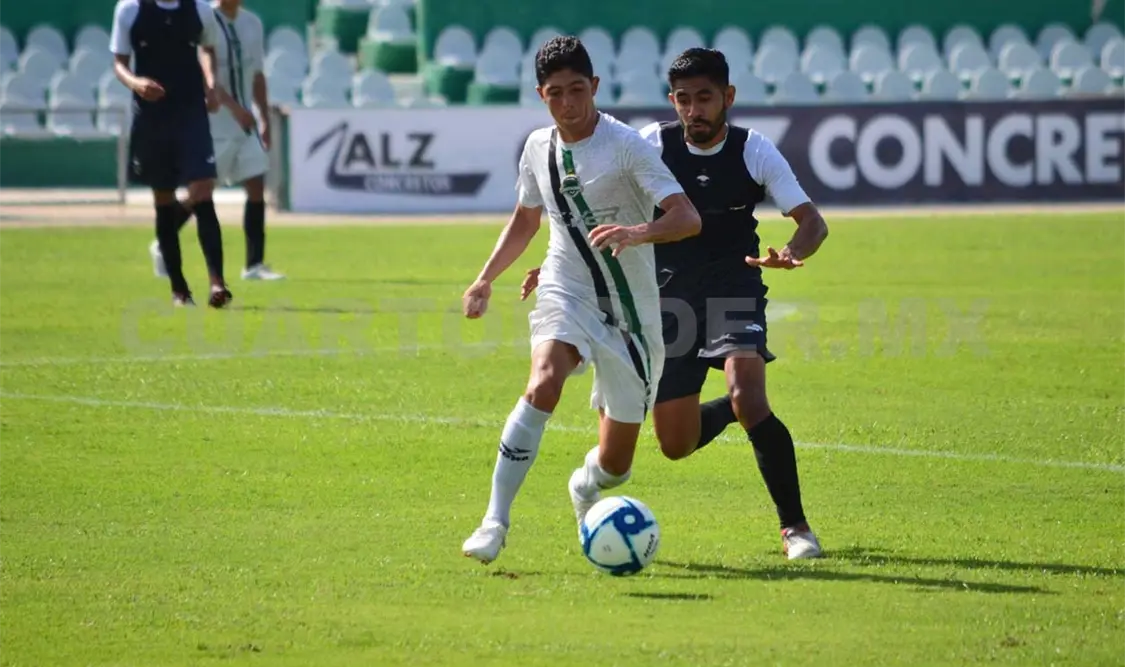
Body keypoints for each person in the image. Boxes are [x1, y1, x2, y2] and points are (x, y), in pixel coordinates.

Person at [519, 48, 830, 560]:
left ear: (727, 98)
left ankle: (796, 529)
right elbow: (592, 212)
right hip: (665, 297)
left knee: (749, 396)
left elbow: (812, 222)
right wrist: (558, 267)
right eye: (683, 100)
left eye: (704, 98)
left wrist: (794, 251)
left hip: (734, 285)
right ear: (672, 101)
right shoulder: (649, 144)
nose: (694, 111)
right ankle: (732, 413)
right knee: (674, 443)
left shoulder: (753, 150)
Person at [459, 36, 702, 565]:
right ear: (540, 95)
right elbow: (527, 220)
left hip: (632, 313)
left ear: (594, 87)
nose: (567, 103)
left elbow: (687, 217)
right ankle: (494, 521)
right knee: (544, 378)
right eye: (554, 93)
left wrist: (637, 233)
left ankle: (585, 487)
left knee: (617, 466)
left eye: (576, 90)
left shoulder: (626, 147)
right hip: (565, 289)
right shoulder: (536, 148)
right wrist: (485, 279)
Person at [149, 0, 284, 282]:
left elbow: (257, 74)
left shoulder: (252, 24)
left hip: (245, 124)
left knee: (256, 184)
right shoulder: (204, 18)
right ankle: (164, 240)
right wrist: (235, 109)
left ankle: (254, 265)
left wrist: (265, 118)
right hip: (213, 123)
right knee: (200, 191)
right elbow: (202, 73)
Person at [111, 0, 233, 307]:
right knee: (163, 199)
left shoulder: (200, 10)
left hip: (191, 112)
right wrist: (136, 83)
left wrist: (211, 82)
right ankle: (180, 289)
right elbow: (119, 62)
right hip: (152, 118)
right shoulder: (130, 9)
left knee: (203, 188)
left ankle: (217, 283)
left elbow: (208, 48)